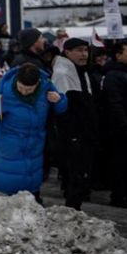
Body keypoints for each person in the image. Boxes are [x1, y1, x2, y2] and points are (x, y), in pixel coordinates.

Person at [0, 63, 67, 201]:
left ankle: (33, 204)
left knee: (32, 183)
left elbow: (61, 109)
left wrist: (59, 100)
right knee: (11, 186)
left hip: (35, 145)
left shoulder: (46, 87)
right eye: (21, 88)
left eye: (29, 89)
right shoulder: (5, 91)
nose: (24, 92)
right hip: (10, 145)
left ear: (37, 84)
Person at [52, 38, 98, 210]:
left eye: (86, 50)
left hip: (85, 133)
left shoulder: (81, 72)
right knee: (74, 176)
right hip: (73, 135)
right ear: (67, 52)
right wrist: (72, 136)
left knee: (81, 176)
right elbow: (62, 109)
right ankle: (71, 211)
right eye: (79, 50)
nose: (84, 54)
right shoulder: (63, 73)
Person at [99, 41, 127, 207]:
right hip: (121, 129)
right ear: (118, 55)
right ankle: (120, 196)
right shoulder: (113, 76)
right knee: (121, 164)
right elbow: (115, 103)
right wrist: (125, 125)